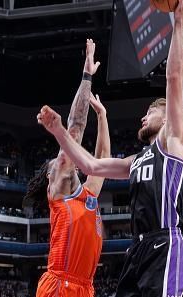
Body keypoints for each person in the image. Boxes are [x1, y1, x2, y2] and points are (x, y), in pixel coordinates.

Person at [36, 0, 183, 296]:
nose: (145, 115)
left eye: (152, 110)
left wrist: (179, 22)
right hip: (138, 250)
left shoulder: (173, 142)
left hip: (165, 243)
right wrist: (57, 129)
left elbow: (174, 79)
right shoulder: (137, 160)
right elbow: (93, 165)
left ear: (172, 118)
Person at [24, 39, 111, 297]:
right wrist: (86, 76)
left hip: (84, 288)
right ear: (51, 177)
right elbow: (75, 127)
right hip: (59, 285)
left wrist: (103, 116)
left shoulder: (88, 197)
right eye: (59, 160)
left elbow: (103, 159)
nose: (63, 159)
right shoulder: (59, 190)